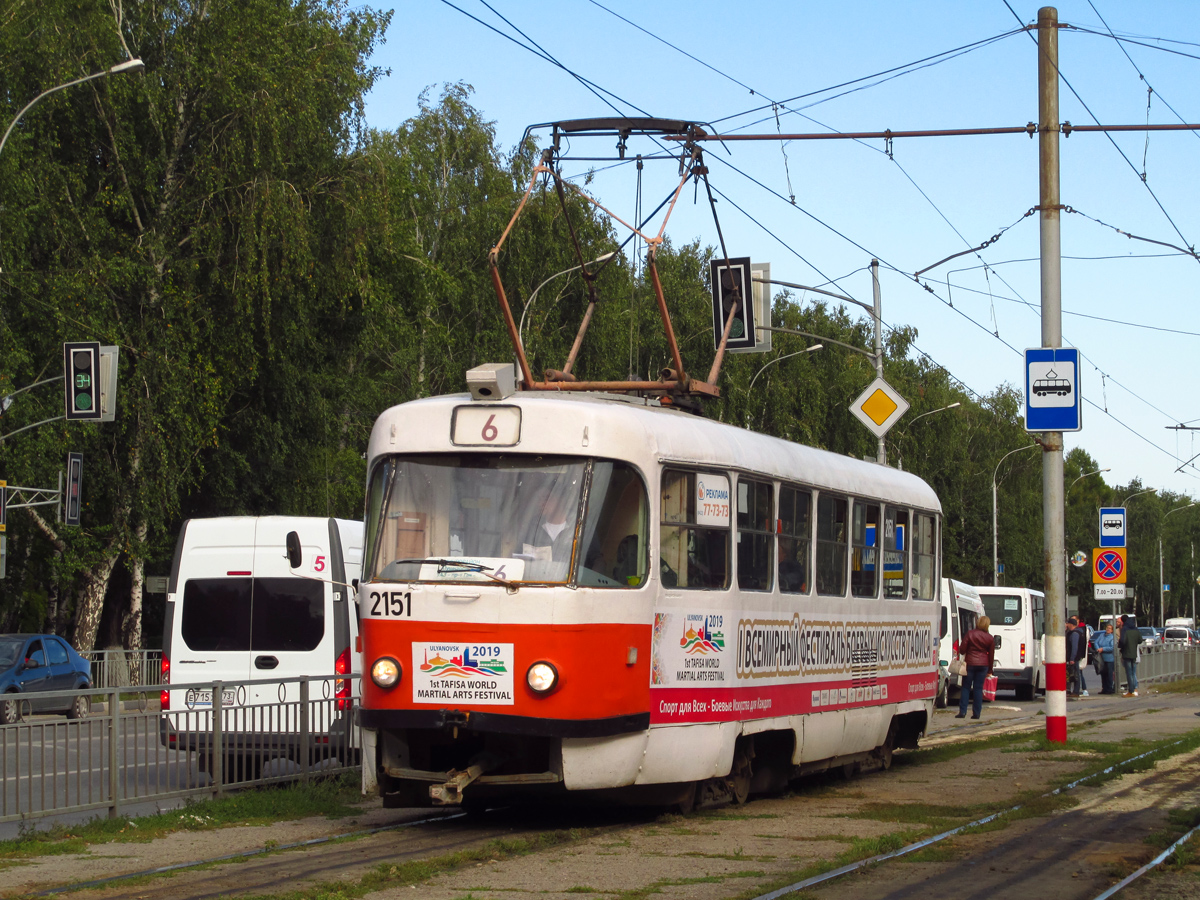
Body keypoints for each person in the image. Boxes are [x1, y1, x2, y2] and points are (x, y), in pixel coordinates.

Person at [955, 615, 996, 720]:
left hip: (970, 663)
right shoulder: (990, 638)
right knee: (978, 689)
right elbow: (991, 656)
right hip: (983, 665)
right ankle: (976, 713)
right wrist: (990, 670)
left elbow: (962, 650)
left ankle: (962, 712)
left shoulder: (970, 634)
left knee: (966, 687)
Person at [1118, 613, 1141, 697]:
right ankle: (1134, 689)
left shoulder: (1124, 629)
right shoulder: (1135, 629)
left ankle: (1131, 691)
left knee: (1129, 673)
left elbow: (1122, 641)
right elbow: (1140, 640)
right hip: (1134, 653)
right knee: (1133, 672)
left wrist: (1120, 646)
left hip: (1126, 653)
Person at [1065, 617, 1086, 698]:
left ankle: (1076, 691)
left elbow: (1074, 647)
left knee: (1075, 675)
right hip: (1076, 657)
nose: (1067, 625)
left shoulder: (1074, 634)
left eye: (1068, 624)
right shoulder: (1078, 632)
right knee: (1073, 674)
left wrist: (1072, 658)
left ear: (1071, 624)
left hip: (1074, 658)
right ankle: (1073, 690)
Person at [1093, 623, 1116, 694]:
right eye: (1107, 628)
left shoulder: (1112, 638)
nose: (1108, 629)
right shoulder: (1101, 635)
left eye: (1109, 628)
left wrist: (1103, 649)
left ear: (1112, 630)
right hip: (1101, 658)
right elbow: (1096, 642)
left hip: (1109, 659)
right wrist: (1098, 649)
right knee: (1103, 674)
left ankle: (1109, 689)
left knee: (1109, 674)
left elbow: (1112, 648)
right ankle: (1104, 688)